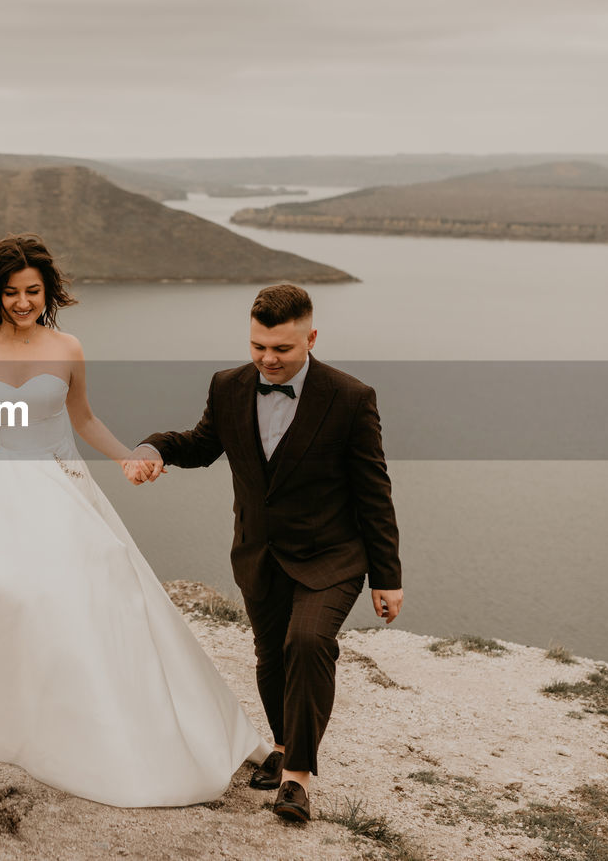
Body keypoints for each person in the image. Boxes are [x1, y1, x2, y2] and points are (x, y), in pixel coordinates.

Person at [0, 234, 270, 808]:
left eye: (32, 290)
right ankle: (1, 712)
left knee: (103, 584)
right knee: (7, 590)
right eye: (11, 292)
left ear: (47, 291)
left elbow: (84, 419)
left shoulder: (68, 348)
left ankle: (98, 716)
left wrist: (130, 456)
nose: (22, 302)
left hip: (61, 484)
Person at [125, 283, 403, 823]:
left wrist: (386, 576)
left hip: (333, 555)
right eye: (258, 347)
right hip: (259, 551)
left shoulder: (350, 398)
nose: (267, 360)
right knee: (271, 653)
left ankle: (296, 777)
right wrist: (154, 447)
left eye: (281, 349)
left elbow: (374, 491)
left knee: (308, 641)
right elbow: (204, 443)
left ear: (311, 338)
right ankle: (280, 745)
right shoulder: (228, 386)